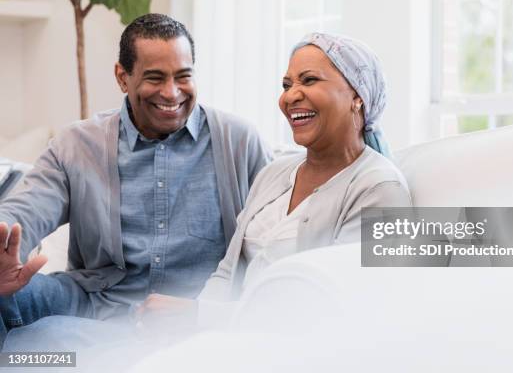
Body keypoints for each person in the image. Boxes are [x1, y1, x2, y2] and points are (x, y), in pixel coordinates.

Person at [0, 13, 271, 347]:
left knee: (43, 344)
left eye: (183, 77)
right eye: (155, 78)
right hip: (96, 304)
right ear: (122, 77)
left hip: (190, 317)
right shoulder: (78, 144)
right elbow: (26, 209)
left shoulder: (239, 141)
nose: (171, 93)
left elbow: (275, 233)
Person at [135, 32, 413, 325]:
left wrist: (199, 317)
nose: (290, 96)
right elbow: (226, 273)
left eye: (309, 80)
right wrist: (184, 328)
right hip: (225, 342)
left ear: (357, 96)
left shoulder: (380, 188)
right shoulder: (273, 173)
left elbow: (333, 307)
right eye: (286, 85)